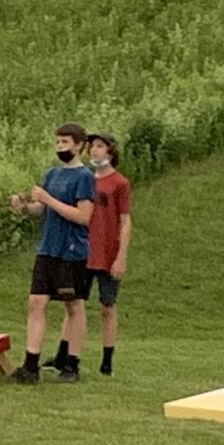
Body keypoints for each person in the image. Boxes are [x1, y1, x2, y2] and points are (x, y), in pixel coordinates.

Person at [7, 122, 95, 384]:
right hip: (47, 247)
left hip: (71, 250)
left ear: (79, 145)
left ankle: (72, 364)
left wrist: (48, 200)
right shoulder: (52, 174)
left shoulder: (84, 177)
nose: (60, 147)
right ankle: (30, 365)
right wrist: (24, 207)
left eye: (65, 143)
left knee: (74, 305)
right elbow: (42, 211)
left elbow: (83, 216)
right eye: (57, 142)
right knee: (36, 303)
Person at [82, 133, 132, 377]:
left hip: (107, 251)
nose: (94, 151)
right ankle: (65, 355)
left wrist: (121, 255)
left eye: (99, 147)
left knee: (107, 306)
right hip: (83, 250)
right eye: (92, 147)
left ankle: (107, 360)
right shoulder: (84, 180)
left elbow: (125, 220)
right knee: (75, 303)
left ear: (110, 152)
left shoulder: (119, 183)